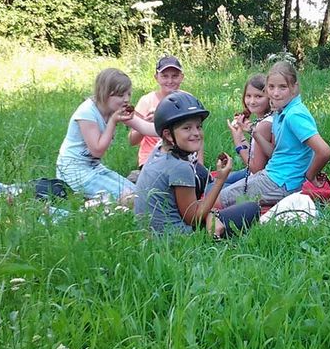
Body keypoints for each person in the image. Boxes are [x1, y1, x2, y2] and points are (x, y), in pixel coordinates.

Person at [134, 91, 260, 237]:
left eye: (198, 126)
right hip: (177, 239)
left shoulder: (159, 151)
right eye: (187, 128)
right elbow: (193, 218)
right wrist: (220, 180)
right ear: (169, 134)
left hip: (151, 232)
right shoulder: (180, 167)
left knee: (200, 173)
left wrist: (210, 213)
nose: (196, 133)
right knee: (251, 208)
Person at [217, 61, 330, 208]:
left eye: (282, 87)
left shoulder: (294, 115)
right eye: (271, 87)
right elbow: (274, 152)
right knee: (220, 192)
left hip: (280, 183)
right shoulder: (281, 110)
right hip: (273, 175)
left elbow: (324, 151)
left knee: (214, 201)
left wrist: (310, 175)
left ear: (294, 87)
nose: (276, 93)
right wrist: (254, 132)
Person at [56, 68, 158, 204]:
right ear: (104, 93)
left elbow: (146, 128)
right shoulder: (87, 113)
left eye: (129, 94)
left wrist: (173, 127)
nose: (126, 99)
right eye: (121, 95)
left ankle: (95, 201)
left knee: (136, 192)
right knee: (130, 198)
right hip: (74, 170)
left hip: (93, 167)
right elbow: (97, 150)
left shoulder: (115, 108)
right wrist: (113, 121)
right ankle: (88, 206)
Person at [128, 55, 188, 169]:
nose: (170, 81)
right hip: (151, 158)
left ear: (182, 77)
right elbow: (132, 140)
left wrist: (200, 166)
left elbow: (197, 135)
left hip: (182, 155)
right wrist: (144, 125)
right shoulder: (146, 101)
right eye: (164, 76)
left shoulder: (187, 99)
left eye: (174, 76)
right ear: (156, 77)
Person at [221, 73, 274, 187]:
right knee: (219, 180)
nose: (252, 101)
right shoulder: (262, 120)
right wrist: (240, 135)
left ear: (269, 97)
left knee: (211, 189)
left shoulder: (265, 125)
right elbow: (255, 153)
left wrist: (238, 143)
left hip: (261, 179)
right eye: (248, 96)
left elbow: (256, 169)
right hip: (255, 173)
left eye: (258, 96)